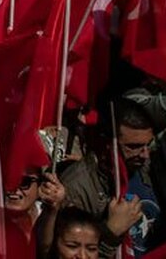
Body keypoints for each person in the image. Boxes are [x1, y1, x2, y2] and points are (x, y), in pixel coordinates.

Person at [61, 101, 159, 256]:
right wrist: (111, 232)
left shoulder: (145, 166)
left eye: (149, 145)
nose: (145, 155)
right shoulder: (77, 188)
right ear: (107, 144)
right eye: (133, 147)